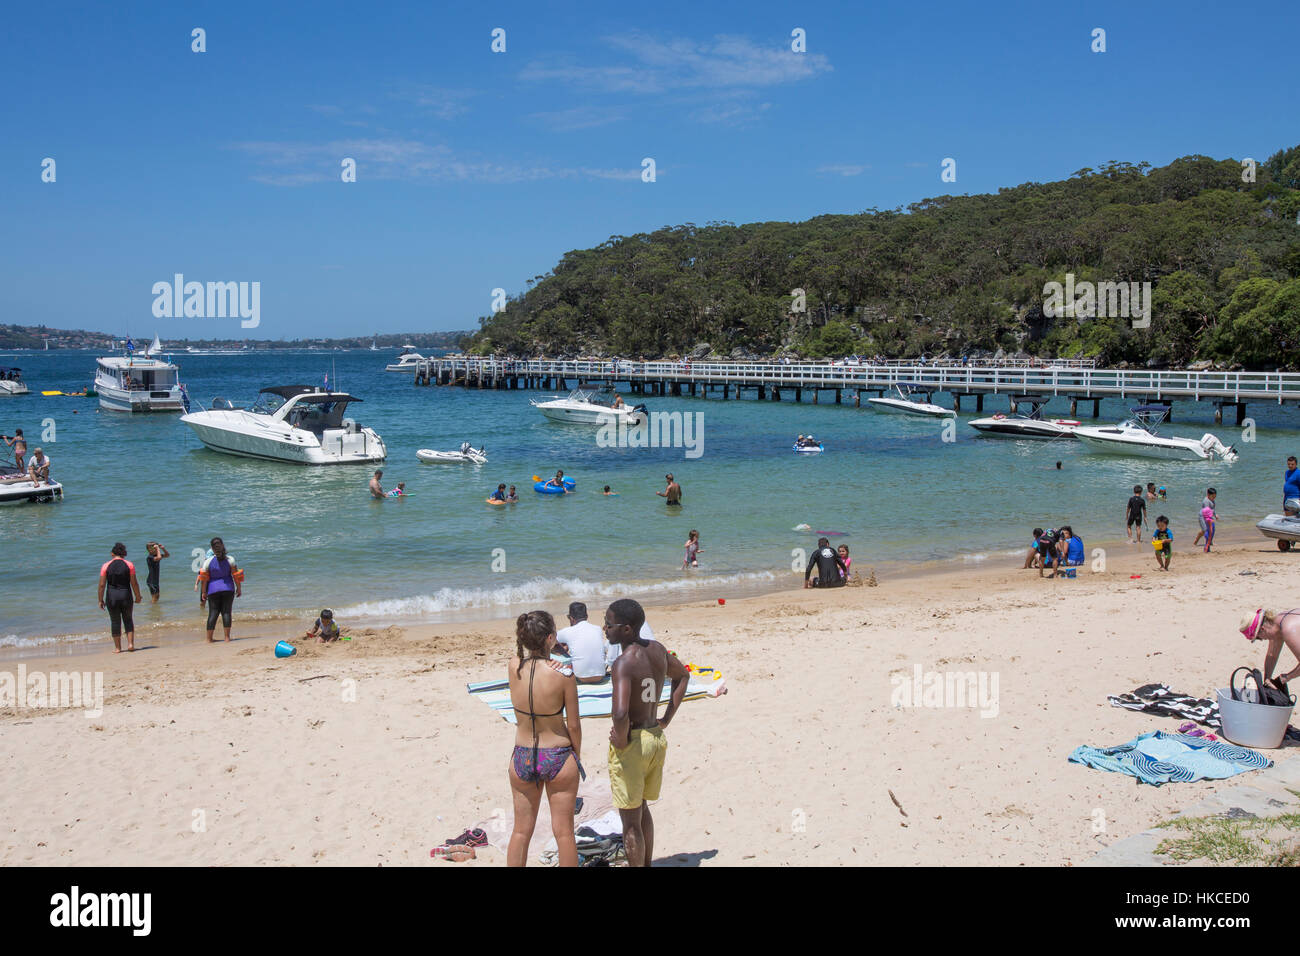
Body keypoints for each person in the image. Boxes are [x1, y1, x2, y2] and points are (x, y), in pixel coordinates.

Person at [604, 598, 689, 867]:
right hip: (655, 737)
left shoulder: (623, 664)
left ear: (626, 629)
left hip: (634, 744)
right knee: (641, 809)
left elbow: (619, 713)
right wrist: (665, 718)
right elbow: (683, 675)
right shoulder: (657, 651)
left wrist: (620, 736)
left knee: (630, 823)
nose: (604, 629)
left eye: (608, 624)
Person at [507, 610, 581, 868]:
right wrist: (577, 755)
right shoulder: (564, 675)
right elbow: (573, 724)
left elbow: (529, 666)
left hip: (522, 756)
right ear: (550, 638)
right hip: (557, 755)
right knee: (564, 833)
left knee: (520, 832)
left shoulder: (513, 666)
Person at [1240, 608, 1300, 693]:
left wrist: (1285, 678)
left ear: (1262, 629)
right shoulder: (1277, 623)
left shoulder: (1288, 629)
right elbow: (1272, 655)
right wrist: (1267, 680)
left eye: (1258, 638)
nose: (1262, 640)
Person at [556, 601, 617, 684]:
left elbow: (551, 640)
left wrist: (563, 650)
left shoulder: (567, 631)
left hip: (581, 677)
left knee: (554, 647)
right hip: (601, 676)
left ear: (571, 618)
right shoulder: (597, 629)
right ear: (587, 616)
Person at [98, 542, 143, 653]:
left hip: (111, 596)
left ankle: (118, 648)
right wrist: (138, 596)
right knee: (128, 619)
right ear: (123, 554)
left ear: (112, 553)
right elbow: (134, 583)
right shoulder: (129, 565)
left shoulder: (106, 565)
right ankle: (130, 644)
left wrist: (100, 600)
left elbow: (102, 585)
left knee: (115, 621)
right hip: (126, 595)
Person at [198, 537, 242, 643]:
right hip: (228, 588)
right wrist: (239, 588)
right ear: (223, 545)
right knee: (226, 612)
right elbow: (236, 576)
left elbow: (204, 580)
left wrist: (203, 592)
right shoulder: (230, 559)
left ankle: (209, 639)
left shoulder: (207, 562)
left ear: (212, 549)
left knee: (213, 613)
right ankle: (227, 638)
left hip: (213, 590)